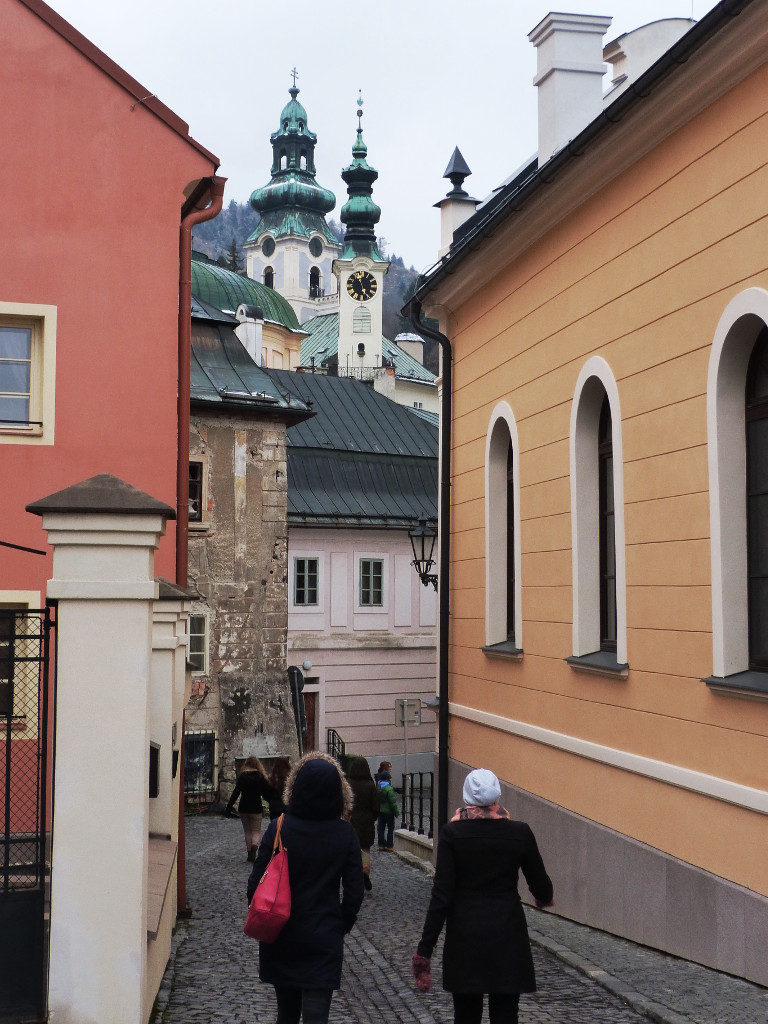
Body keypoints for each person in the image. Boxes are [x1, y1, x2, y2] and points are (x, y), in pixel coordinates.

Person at [411, 768, 554, 1024]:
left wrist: (425, 950)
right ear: (497, 796)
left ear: (467, 797)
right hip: (508, 935)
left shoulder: (452, 835)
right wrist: (543, 898)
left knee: (466, 1015)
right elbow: (542, 886)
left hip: (465, 938)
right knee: (506, 1015)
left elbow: (441, 896)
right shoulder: (520, 832)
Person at [247, 752, 364, 1024]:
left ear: (295, 788)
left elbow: (254, 884)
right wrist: (339, 924)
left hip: (282, 935)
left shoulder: (279, 827)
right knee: (316, 1016)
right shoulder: (345, 834)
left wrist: (267, 916)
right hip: (323, 936)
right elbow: (355, 892)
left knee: (286, 1015)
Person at [225, 756, 274, 861]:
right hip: (256, 807)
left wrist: (229, 806)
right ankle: (254, 846)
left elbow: (236, 793)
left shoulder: (242, 776)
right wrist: (274, 801)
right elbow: (265, 794)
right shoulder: (260, 777)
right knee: (256, 831)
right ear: (257, 765)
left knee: (247, 831)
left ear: (246, 764)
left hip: (243, 807)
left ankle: (249, 853)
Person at [346, 757, 380, 892]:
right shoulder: (371, 785)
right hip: (366, 821)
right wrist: (372, 818)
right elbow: (376, 807)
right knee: (365, 849)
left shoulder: (348, 784)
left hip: (351, 821)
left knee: (350, 850)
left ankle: (352, 876)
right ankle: (364, 871)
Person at [376, 769, 399, 851]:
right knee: (390, 828)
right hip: (389, 812)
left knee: (381, 828)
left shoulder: (378, 787)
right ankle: (389, 845)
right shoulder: (389, 789)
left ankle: (381, 844)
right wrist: (396, 812)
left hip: (380, 811)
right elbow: (392, 803)